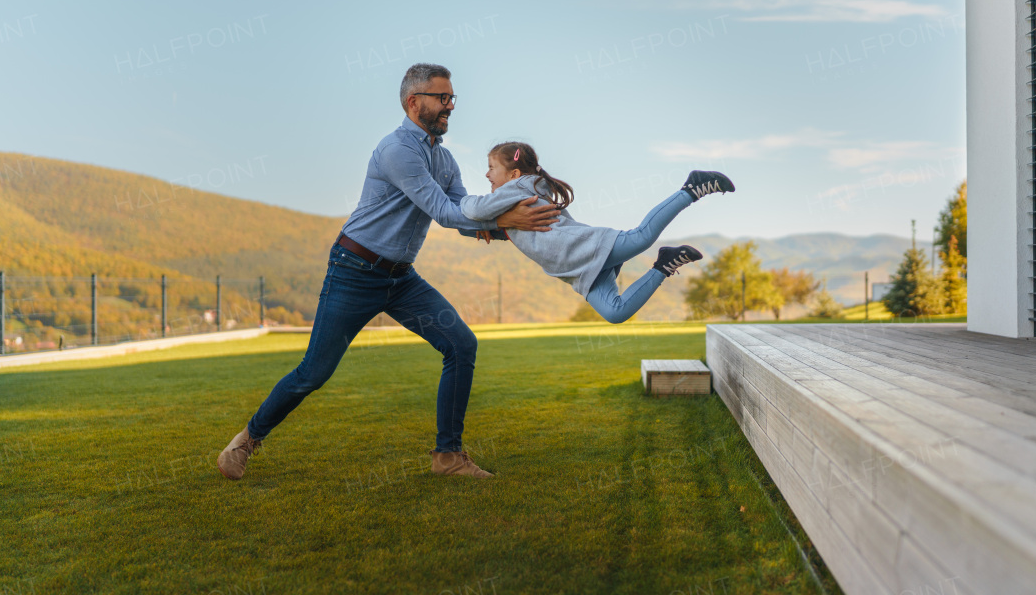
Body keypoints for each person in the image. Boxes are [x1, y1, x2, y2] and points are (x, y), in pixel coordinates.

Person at [217, 64, 559, 482]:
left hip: (401, 280)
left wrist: (525, 226)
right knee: (314, 373)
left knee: (461, 345)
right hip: (354, 271)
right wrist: (511, 222)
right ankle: (247, 439)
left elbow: (466, 214)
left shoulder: (444, 159)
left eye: (453, 98)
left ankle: (447, 456)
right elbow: (447, 214)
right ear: (414, 102)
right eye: (442, 98)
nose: (451, 105)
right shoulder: (398, 150)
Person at [460, 142, 734, 324]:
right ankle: (664, 265)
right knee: (616, 312)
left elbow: (472, 210)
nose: (486, 175)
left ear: (514, 174)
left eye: (491, 168)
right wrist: (492, 229)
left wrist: (460, 202)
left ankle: (692, 188)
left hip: (584, 249)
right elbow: (508, 228)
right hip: (579, 270)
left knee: (641, 237)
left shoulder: (515, 188)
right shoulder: (517, 197)